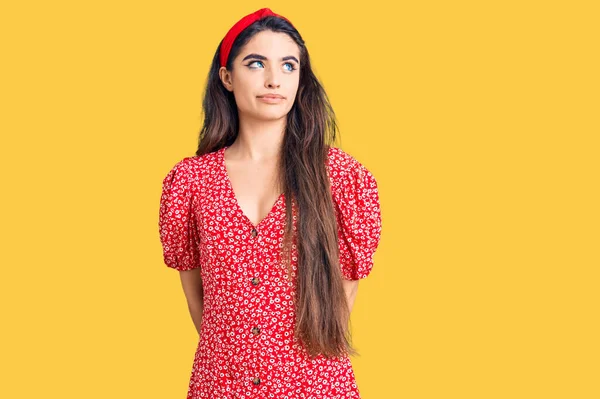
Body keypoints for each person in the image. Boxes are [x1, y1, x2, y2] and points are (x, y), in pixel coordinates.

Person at [158, 7, 382, 398]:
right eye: (256, 63)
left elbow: (345, 291)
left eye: (289, 66)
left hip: (315, 384)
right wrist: (236, 355)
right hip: (220, 385)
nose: (274, 80)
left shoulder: (341, 178)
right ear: (227, 77)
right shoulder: (190, 181)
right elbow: (196, 294)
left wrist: (286, 361)